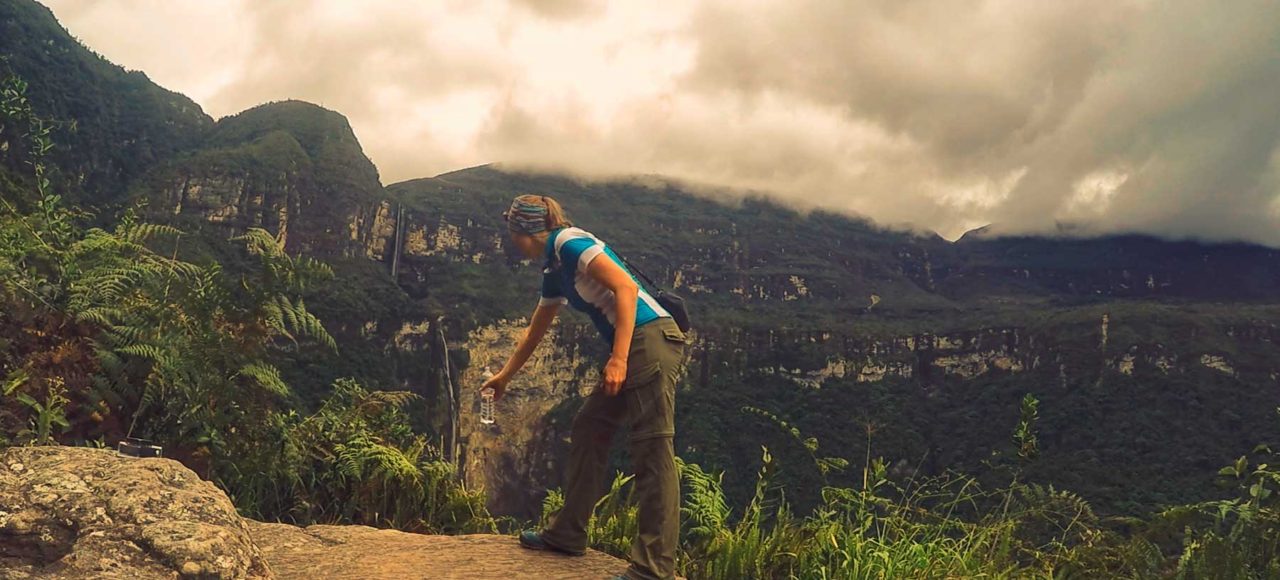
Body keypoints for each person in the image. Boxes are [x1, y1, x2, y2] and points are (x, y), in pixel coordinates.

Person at [482, 194, 688, 580]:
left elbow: (625, 290)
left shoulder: (570, 242)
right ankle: (567, 534)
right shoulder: (554, 266)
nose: (510, 239)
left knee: (652, 447)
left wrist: (618, 359)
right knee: (590, 428)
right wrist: (504, 376)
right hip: (635, 344)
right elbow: (537, 327)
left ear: (522, 231)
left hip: (649, 340)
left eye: (511, 230)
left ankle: (653, 567)